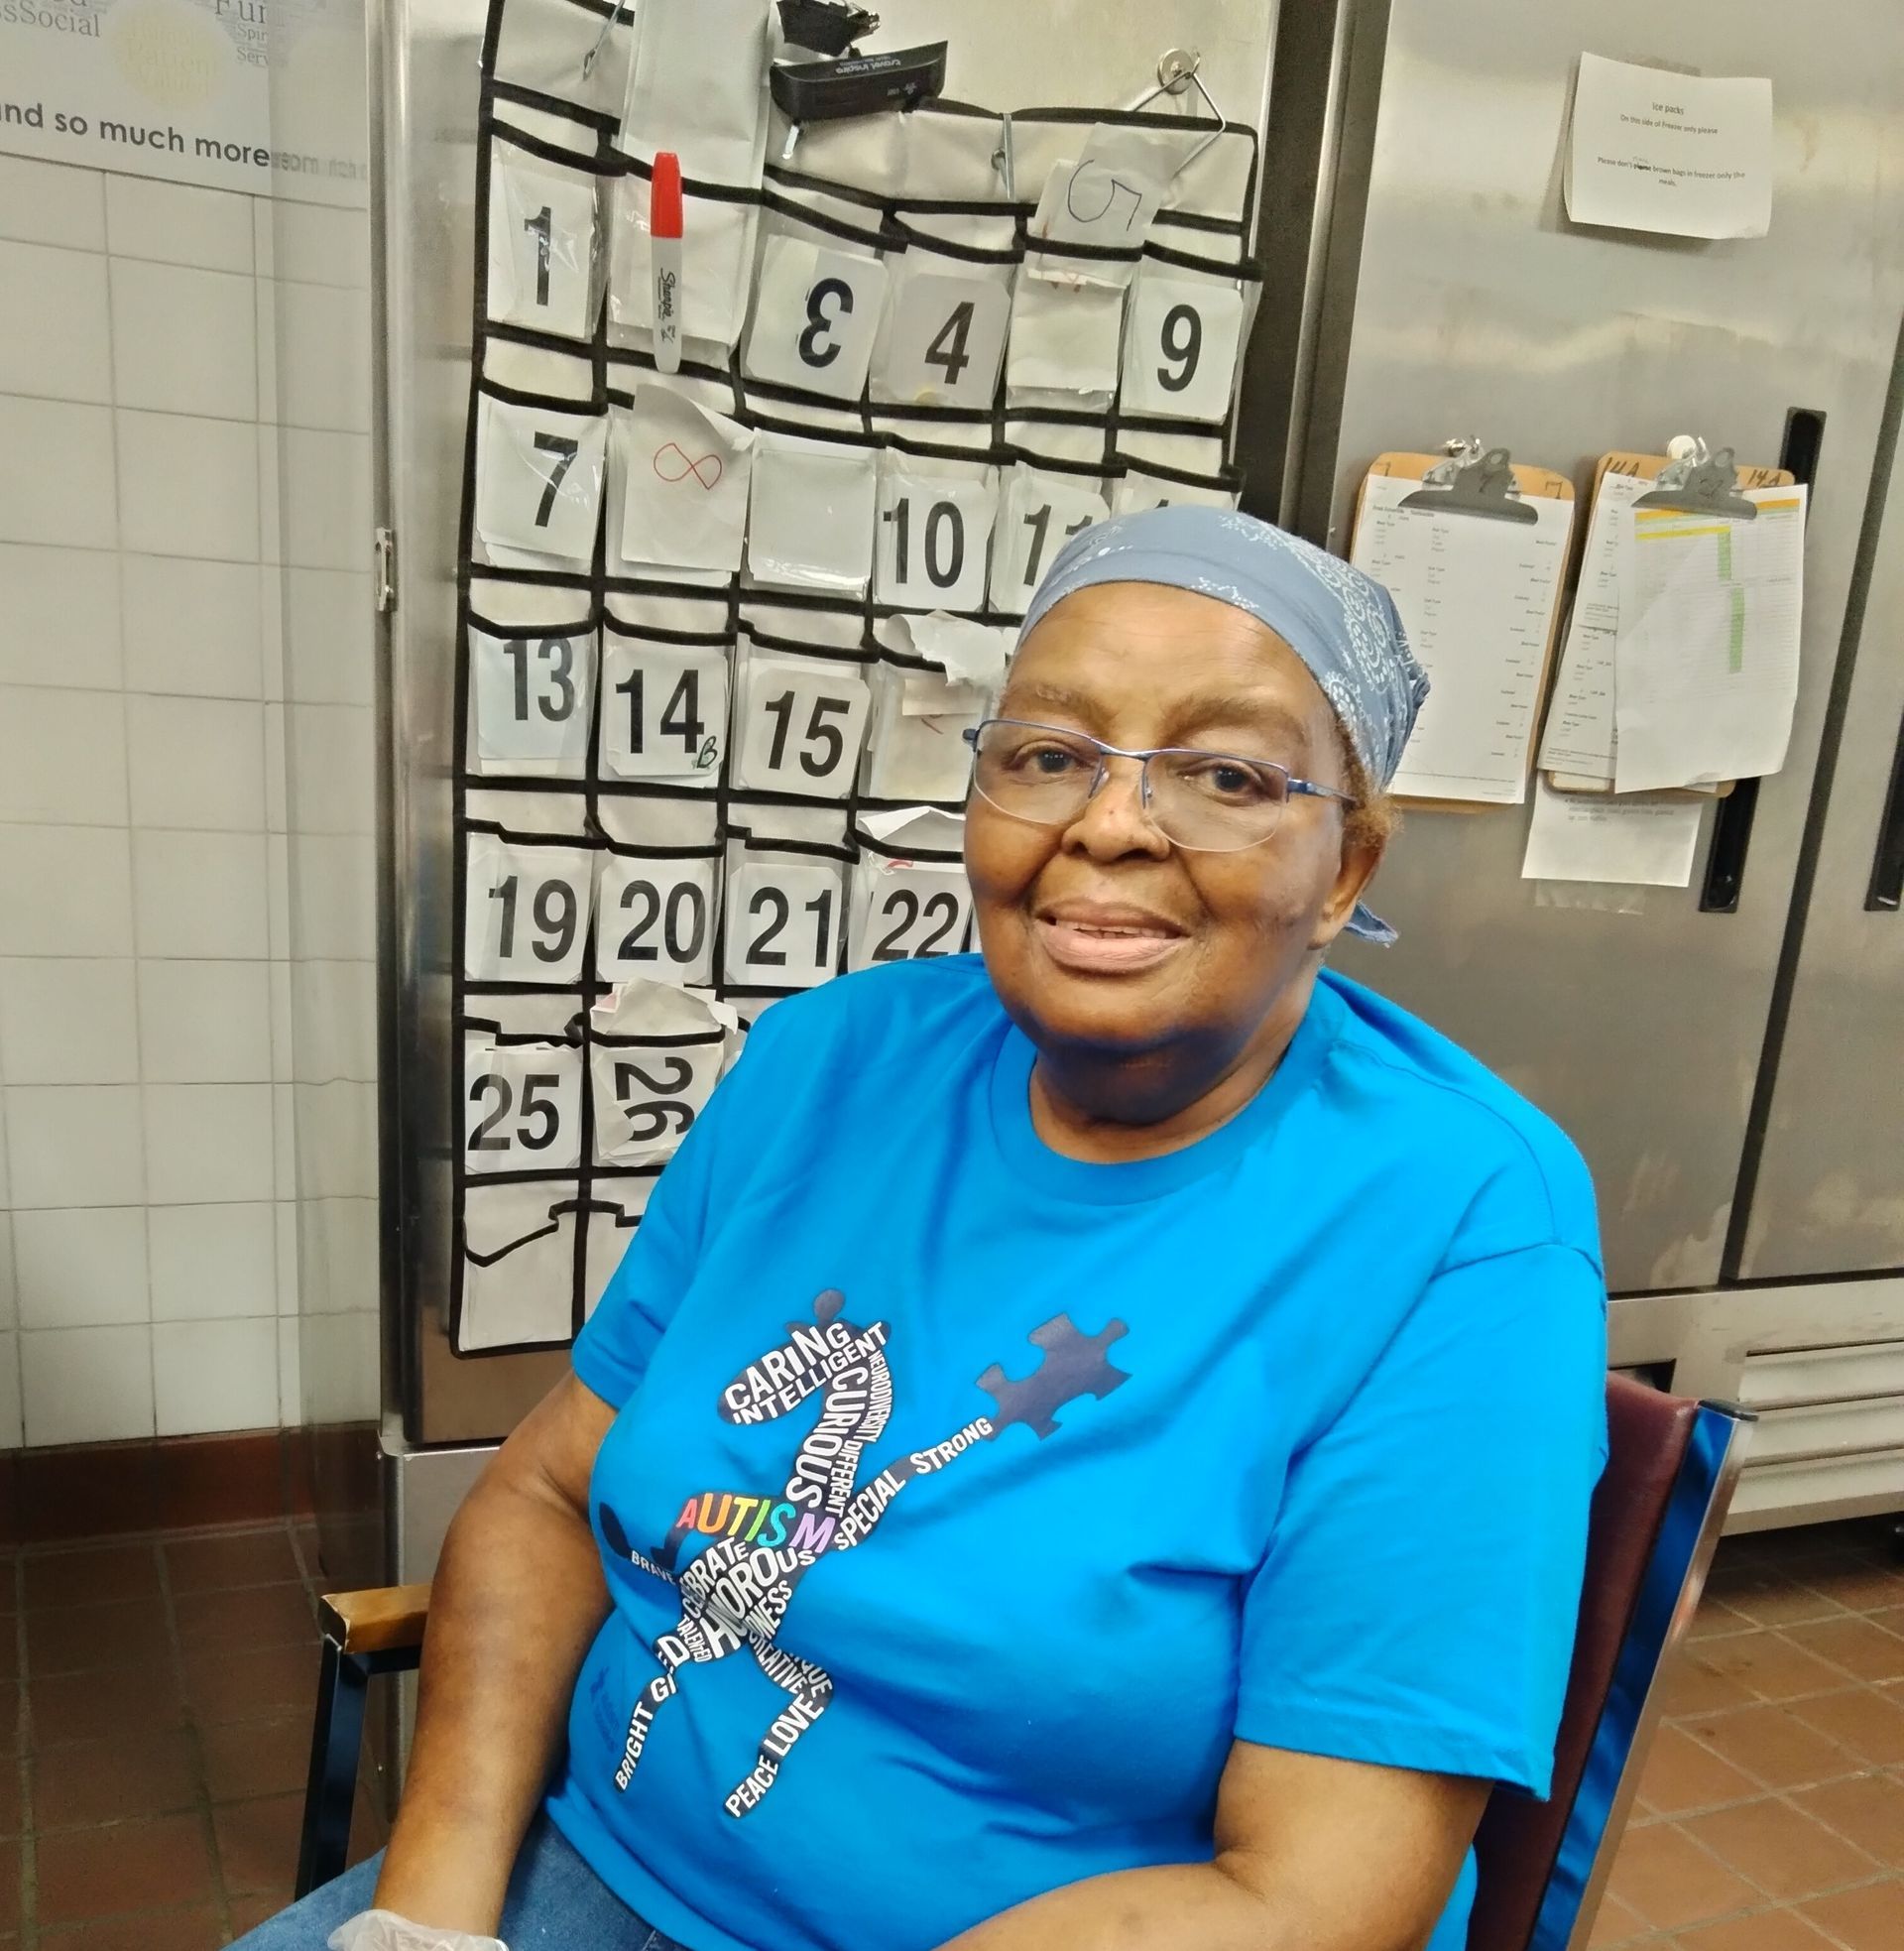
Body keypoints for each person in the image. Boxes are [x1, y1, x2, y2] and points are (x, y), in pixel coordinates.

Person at [249, 506, 1606, 1951]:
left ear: (1346, 869)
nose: (1110, 823)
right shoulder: (827, 1061)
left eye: (1223, 772)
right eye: (1048, 755)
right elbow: (540, 1497)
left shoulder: (1461, 1221)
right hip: (580, 1868)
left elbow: (1319, 1895)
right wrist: (432, 1917)